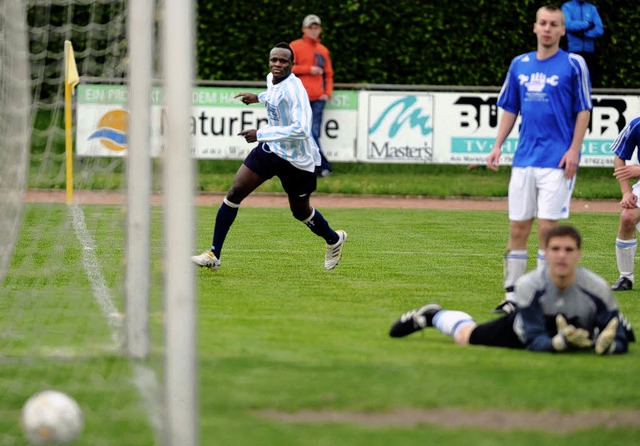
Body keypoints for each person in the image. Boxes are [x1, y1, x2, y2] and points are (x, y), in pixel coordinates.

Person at [191, 43, 347, 271]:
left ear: (292, 65)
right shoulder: (271, 78)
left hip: (297, 160)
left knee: (300, 211)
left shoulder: (296, 91)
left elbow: (302, 129)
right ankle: (214, 254)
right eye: (274, 60)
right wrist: (258, 98)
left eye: (283, 61)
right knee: (235, 192)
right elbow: (274, 95)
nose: (277, 64)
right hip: (271, 150)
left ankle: (333, 239)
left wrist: (260, 134)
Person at [486, 4, 592, 313]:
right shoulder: (519, 64)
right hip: (523, 160)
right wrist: (497, 146)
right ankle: (513, 297)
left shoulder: (574, 64)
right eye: (542, 23)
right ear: (535, 27)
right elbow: (509, 107)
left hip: (556, 162)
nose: (547, 29)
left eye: (553, 24)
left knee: (548, 231)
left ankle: (544, 295)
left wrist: (573, 150)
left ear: (562, 30)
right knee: (517, 230)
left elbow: (583, 109)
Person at [389, 225, 634, 355]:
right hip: (524, 327)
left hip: (576, 320)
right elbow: (533, 338)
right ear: (545, 253)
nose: (562, 256)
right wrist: (558, 344)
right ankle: (434, 315)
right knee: (467, 337)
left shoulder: (596, 287)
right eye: (556, 249)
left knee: (617, 328)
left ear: (579, 255)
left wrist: (610, 346)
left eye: (569, 250)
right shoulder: (529, 285)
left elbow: (620, 337)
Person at [290, 14, 334, 178]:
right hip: (299, 98)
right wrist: (309, 69)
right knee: (304, 133)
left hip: (317, 99)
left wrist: (327, 93)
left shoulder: (323, 50)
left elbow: (329, 74)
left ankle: (318, 166)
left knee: (312, 133)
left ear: (320, 29)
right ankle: (322, 166)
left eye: (316, 27)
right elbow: (287, 68)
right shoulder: (295, 46)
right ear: (304, 29)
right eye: (311, 27)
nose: (314, 31)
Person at [610, 114, 640, 291]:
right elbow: (619, 157)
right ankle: (626, 278)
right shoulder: (637, 124)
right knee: (627, 216)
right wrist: (626, 192)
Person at [561, 0, 604, 86]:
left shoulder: (592, 8)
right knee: (572, 81)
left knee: (589, 81)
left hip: (589, 52)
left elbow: (599, 29)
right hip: (572, 51)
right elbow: (568, 25)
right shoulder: (567, 7)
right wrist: (587, 24)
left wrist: (584, 34)